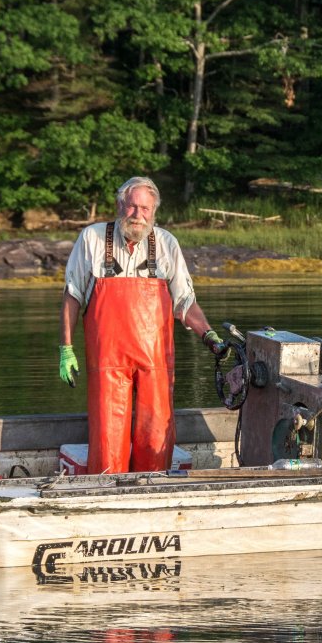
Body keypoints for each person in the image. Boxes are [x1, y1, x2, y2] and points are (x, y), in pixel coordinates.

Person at [58, 176, 227, 474]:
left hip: (156, 362)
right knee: (107, 441)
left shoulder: (166, 243)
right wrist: (66, 349)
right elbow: (72, 296)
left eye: (145, 209)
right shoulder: (92, 238)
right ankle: (107, 494)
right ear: (120, 205)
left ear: (154, 211)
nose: (138, 215)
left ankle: (153, 490)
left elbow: (184, 302)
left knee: (157, 437)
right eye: (132, 206)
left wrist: (209, 335)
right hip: (107, 362)